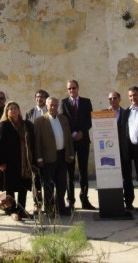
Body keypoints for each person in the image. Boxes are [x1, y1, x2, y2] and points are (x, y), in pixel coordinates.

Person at [34, 96, 74, 217]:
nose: (53, 107)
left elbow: (68, 138)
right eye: (51, 105)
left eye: (56, 105)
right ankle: (50, 209)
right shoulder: (41, 120)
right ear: (47, 106)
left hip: (62, 156)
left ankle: (60, 207)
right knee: (49, 185)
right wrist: (39, 158)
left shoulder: (63, 119)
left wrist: (71, 153)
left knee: (62, 184)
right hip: (48, 158)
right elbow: (37, 141)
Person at [0, 101, 34, 221]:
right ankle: (11, 211)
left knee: (23, 187)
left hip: (24, 162)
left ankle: (21, 210)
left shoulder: (25, 124)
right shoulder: (4, 125)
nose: (13, 110)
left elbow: (31, 140)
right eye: (10, 109)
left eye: (15, 108)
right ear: (7, 112)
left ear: (19, 110)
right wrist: (1, 162)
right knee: (10, 187)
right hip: (10, 162)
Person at [61, 79, 96, 210]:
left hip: (83, 141)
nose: (71, 90)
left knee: (83, 170)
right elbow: (63, 121)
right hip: (70, 142)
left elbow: (90, 120)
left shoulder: (86, 102)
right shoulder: (63, 103)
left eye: (73, 88)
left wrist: (81, 132)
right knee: (69, 172)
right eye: (69, 88)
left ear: (78, 88)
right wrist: (72, 134)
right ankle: (70, 200)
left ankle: (84, 199)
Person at [109, 91, 133, 210]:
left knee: (126, 177)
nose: (112, 100)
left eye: (115, 98)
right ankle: (114, 201)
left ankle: (129, 202)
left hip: (124, 150)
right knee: (112, 177)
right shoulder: (104, 114)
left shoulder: (126, 113)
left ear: (119, 99)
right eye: (110, 99)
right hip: (109, 152)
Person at [25, 89, 49, 211]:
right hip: (35, 151)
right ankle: (37, 204)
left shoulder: (51, 112)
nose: (40, 99)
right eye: (37, 97)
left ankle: (50, 204)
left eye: (42, 97)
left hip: (48, 150)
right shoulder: (29, 113)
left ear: (46, 99)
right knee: (36, 179)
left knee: (48, 178)